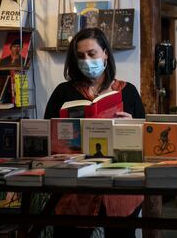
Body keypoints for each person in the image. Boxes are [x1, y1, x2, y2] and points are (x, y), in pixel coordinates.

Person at [44, 27, 145, 238]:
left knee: (121, 233)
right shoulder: (64, 92)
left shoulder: (128, 91)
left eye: (92, 54)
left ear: (105, 53)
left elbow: (145, 140)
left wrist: (133, 127)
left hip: (119, 182)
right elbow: (46, 133)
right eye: (80, 56)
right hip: (75, 183)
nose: (87, 60)